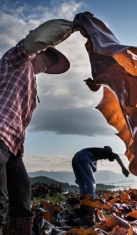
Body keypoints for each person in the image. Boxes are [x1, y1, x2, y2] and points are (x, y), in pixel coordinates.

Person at [0, 13, 87, 234]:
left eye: (49, 65)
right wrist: (72, 26)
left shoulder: (33, 87)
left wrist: (18, 150)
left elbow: (20, 122)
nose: (45, 66)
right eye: (45, 60)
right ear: (38, 53)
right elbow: (37, 37)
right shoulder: (16, 62)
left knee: (21, 196)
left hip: (12, 147)